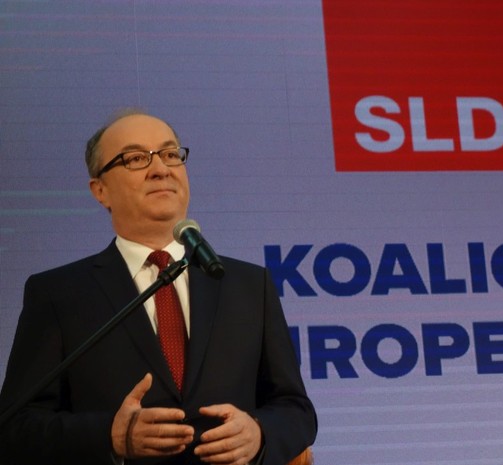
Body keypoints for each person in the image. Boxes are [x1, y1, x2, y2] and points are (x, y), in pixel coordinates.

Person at [0, 111, 317, 465]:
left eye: (170, 154)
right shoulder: (58, 294)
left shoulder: (248, 285)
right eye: (136, 158)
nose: (161, 169)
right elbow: (15, 428)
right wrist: (109, 436)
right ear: (100, 190)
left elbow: (296, 409)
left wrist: (258, 434)